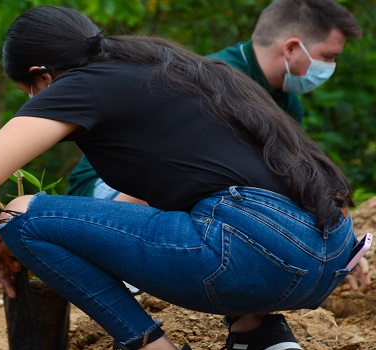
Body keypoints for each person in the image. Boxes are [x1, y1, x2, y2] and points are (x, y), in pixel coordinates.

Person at [0, 6, 357, 350]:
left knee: (22, 215)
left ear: (42, 75)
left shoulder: (82, 84)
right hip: (331, 252)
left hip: (254, 251)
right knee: (204, 210)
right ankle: (257, 334)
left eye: (31, 89)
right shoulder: (174, 69)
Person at [67, 0, 361, 200]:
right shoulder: (213, 80)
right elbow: (171, 171)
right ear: (292, 48)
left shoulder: (285, 100)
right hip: (107, 187)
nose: (330, 66)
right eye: (328, 57)